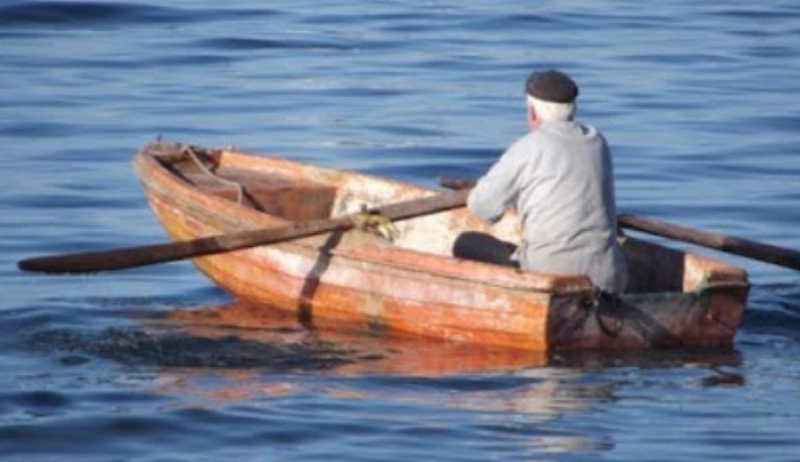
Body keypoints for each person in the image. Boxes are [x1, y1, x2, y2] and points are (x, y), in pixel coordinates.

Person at [453, 69, 628, 294]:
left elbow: (482, 207)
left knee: (467, 243)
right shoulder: (597, 141)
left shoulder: (528, 147)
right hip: (609, 277)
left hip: (549, 277)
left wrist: (483, 191)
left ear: (533, 112)